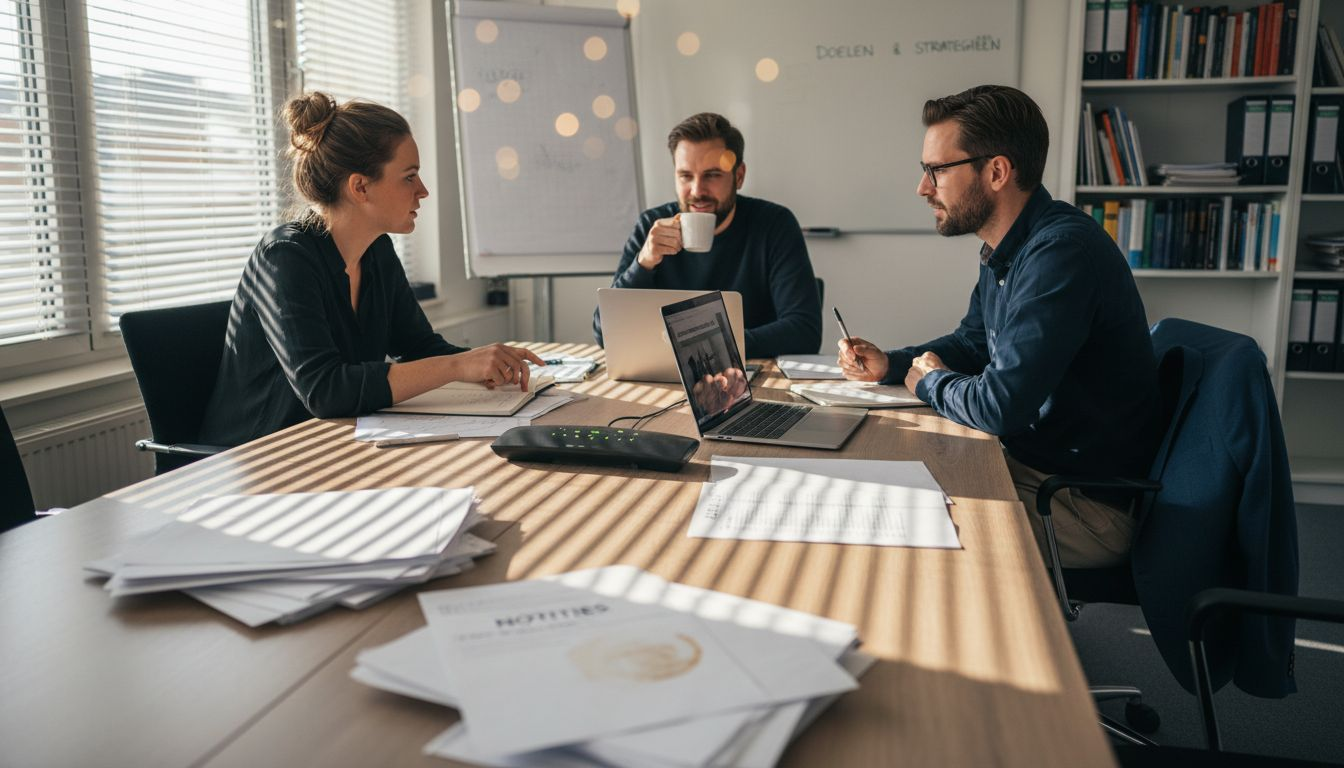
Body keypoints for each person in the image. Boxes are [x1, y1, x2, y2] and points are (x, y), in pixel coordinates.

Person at [837, 85, 1162, 569]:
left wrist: (931, 383)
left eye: (937, 171)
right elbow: (973, 342)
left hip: (1081, 506)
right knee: (882, 477)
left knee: (895, 521)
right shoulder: (1007, 249)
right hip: (1035, 469)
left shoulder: (1060, 254)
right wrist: (895, 363)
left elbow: (1001, 406)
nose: (923, 188)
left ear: (996, 171)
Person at [199, 92, 542, 446]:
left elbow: (418, 346)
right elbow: (325, 391)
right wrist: (457, 367)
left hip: (333, 446)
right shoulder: (284, 257)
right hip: (261, 455)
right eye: (409, 177)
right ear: (360, 187)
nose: (422, 191)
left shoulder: (377, 249)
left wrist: (487, 362)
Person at [592, 112, 821, 359]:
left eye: (712, 175)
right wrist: (644, 263)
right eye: (686, 176)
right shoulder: (651, 226)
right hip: (663, 381)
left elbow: (804, 331)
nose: (697, 190)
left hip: (752, 377)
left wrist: (703, 347)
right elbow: (605, 333)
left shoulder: (774, 225)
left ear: (739, 176)